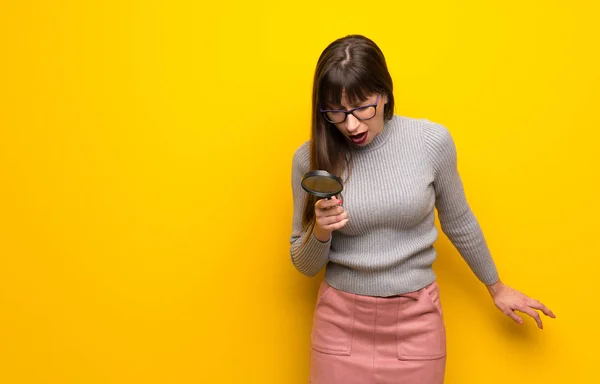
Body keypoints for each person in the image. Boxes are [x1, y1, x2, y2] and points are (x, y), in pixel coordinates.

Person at [289, 34, 555, 384]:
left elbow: (459, 221)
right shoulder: (310, 159)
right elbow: (304, 265)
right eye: (336, 112)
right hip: (340, 325)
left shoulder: (430, 142)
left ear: (385, 94)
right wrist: (321, 230)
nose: (351, 124)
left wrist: (497, 287)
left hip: (415, 322)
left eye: (362, 107)